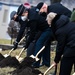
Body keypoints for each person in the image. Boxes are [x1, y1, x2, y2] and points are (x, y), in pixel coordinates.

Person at [13, 3, 53, 68]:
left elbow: (33, 33)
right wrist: (18, 41)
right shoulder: (31, 11)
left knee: (38, 43)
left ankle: (35, 63)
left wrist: (27, 44)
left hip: (47, 29)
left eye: (23, 15)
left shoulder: (32, 18)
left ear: (26, 12)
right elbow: (32, 30)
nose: (23, 16)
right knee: (45, 45)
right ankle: (46, 63)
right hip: (43, 29)